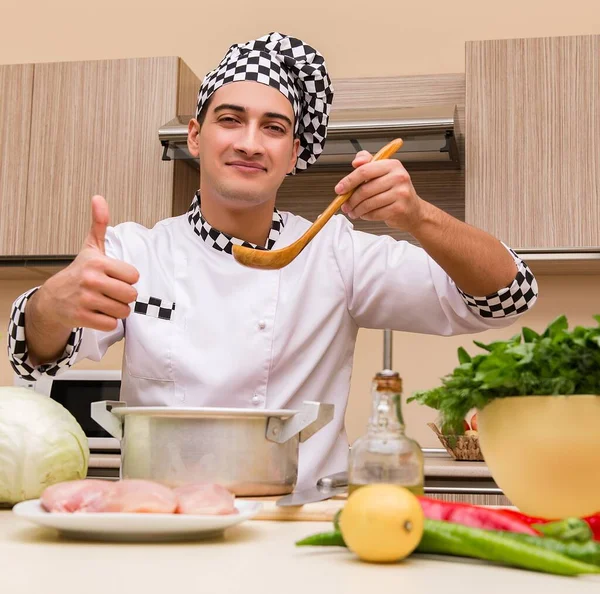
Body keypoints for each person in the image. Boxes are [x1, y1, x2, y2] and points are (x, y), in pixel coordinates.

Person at [7, 32, 538, 488]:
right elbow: (37, 356)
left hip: (299, 518)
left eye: (274, 127)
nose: (249, 142)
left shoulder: (337, 252)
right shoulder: (135, 250)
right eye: (230, 120)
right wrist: (54, 301)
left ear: (293, 154)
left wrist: (421, 216)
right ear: (196, 135)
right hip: (164, 520)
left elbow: (506, 297)